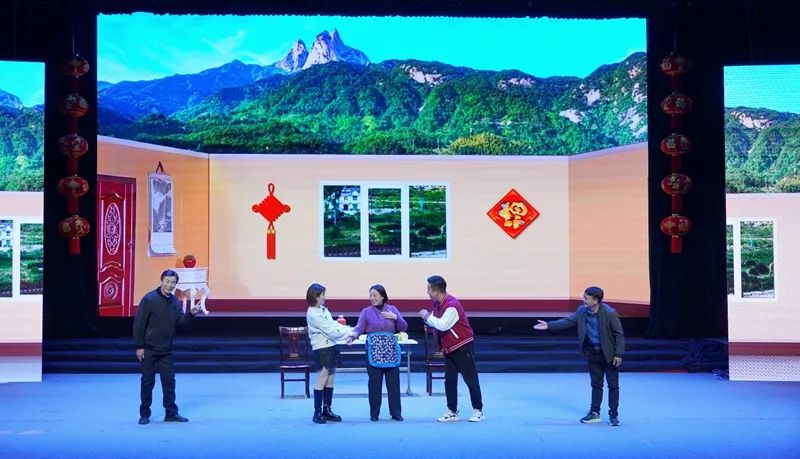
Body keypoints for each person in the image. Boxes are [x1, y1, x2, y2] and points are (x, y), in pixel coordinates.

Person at [533, 286, 625, 426]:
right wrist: (549, 325)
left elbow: (619, 335)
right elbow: (567, 321)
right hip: (592, 352)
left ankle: (614, 415)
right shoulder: (582, 311)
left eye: (586, 298)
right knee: (596, 384)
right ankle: (594, 413)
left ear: (595, 300)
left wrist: (618, 354)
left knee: (613, 385)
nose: (583, 300)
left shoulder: (610, 313)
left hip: (609, 354)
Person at [133, 269, 201, 425]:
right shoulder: (149, 299)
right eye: (167, 282)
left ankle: (171, 413)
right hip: (148, 349)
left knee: (169, 382)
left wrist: (191, 314)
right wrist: (139, 346)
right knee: (147, 382)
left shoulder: (175, 301)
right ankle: (144, 414)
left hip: (166, 350)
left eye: (173, 283)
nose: (170, 285)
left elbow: (180, 323)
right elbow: (139, 323)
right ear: (161, 281)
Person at [418, 275, 484, 422]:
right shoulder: (437, 304)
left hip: (462, 345)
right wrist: (428, 319)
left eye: (428, 289)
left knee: (470, 379)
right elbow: (435, 323)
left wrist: (427, 316)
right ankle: (452, 411)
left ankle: (478, 410)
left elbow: (443, 325)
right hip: (449, 348)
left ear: (436, 291)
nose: (427, 292)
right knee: (449, 380)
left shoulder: (452, 305)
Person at [347, 284, 408, 421]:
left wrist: (395, 318)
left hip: (390, 351)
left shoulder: (392, 309)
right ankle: (374, 413)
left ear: (382, 296)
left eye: (375, 295)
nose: (372, 298)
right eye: (370, 295)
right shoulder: (366, 312)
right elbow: (359, 328)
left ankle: (396, 413)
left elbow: (404, 327)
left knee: (393, 384)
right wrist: (352, 336)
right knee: (374, 384)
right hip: (374, 351)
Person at [306, 283, 353, 424]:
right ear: (316, 297)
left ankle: (327, 410)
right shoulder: (313, 314)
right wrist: (349, 333)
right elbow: (330, 331)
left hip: (331, 346)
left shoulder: (323, 309)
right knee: (322, 379)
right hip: (322, 349)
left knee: (330, 379)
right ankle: (317, 412)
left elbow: (333, 324)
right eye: (323, 295)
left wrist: (349, 329)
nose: (325, 297)